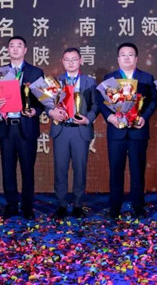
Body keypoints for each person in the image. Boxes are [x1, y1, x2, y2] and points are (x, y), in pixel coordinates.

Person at [99, 43, 157, 218]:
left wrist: (144, 117)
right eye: (123, 54)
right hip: (116, 131)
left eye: (130, 54)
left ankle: (138, 207)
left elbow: (153, 101)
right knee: (116, 170)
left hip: (138, 131)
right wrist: (110, 117)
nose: (126, 57)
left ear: (136, 58)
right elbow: (101, 101)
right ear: (118, 59)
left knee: (137, 171)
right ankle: (114, 208)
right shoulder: (110, 78)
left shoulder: (146, 78)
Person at [0, 36, 44, 220]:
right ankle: (11, 205)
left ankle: (28, 207)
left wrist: (35, 111)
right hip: (6, 127)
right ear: (7, 50)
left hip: (26, 126)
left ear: (25, 50)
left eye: (19, 45)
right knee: (8, 169)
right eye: (11, 46)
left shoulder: (35, 72)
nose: (15, 48)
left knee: (28, 169)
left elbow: (43, 100)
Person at [47, 47, 99, 219]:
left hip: (80, 130)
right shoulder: (56, 81)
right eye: (67, 59)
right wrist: (52, 112)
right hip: (61, 130)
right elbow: (47, 104)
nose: (71, 62)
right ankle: (61, 204)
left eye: (74, 59)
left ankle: (77, 204)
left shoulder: (89, 82)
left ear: (80, 61)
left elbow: (96, 105)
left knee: (80, 168)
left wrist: (87, 119)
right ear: (62, 61)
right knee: (60, 168)